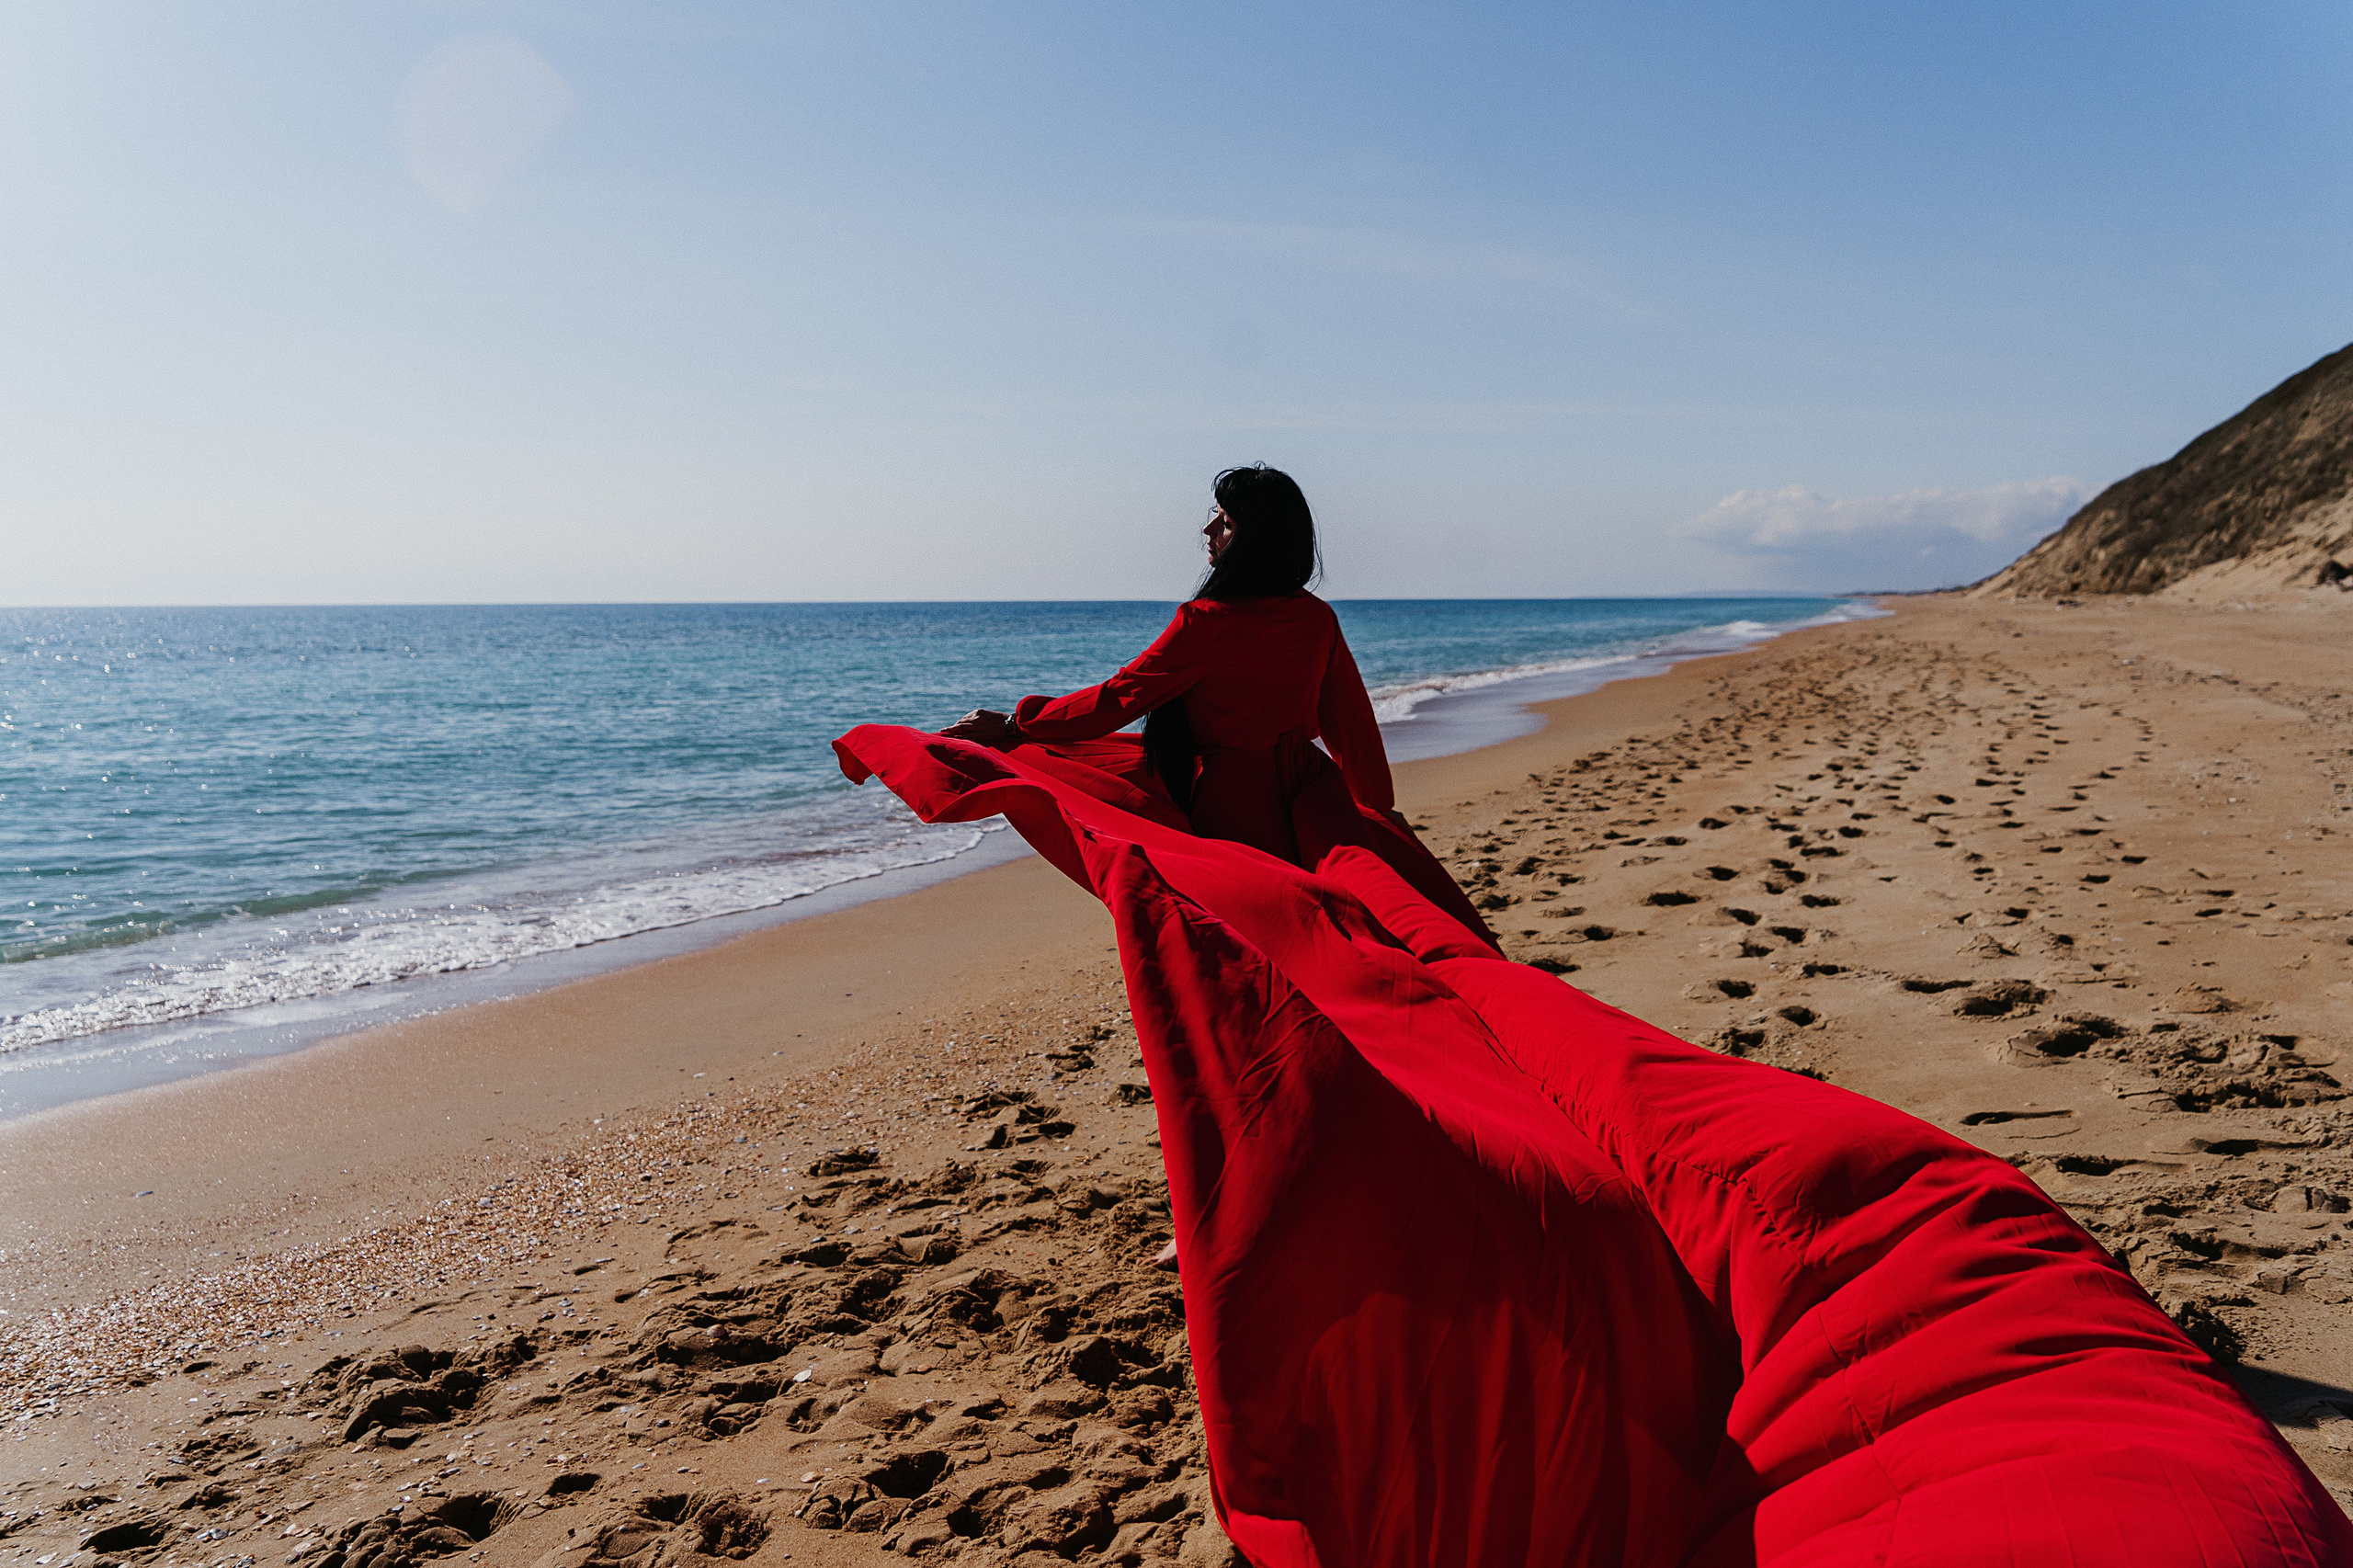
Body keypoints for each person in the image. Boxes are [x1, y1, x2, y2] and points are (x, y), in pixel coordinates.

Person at [940, 465, 1433, 875]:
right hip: (1311, 794)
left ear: (1255, 538)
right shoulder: (1315, 617)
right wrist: (1378, 808)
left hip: (1236, 801)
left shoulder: (1207, 622)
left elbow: (1120, 697)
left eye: (1225, 522)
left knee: (1255, 927)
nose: (1208, 531)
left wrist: (1016, 725)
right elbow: (1349, 723)